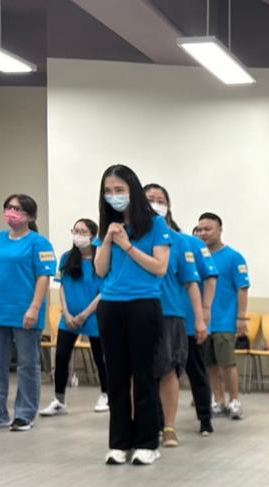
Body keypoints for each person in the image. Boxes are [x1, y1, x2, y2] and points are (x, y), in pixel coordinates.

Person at [94, 164, 171, 465]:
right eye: (108, 191)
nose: (113, 196)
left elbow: (159, 267)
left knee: (143, 376)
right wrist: (108, 240)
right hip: (110, 306)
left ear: (133, 191)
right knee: (116, 377)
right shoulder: (109, 226)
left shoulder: (156, 225)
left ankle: (147, 443)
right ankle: (119, 443)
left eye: (119, 190)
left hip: (143, 305)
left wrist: (127, 246)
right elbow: (100, 270)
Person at [0, 194, 57, 431]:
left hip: (25, 312)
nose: (11, 212)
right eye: (9, 207)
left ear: (30, 216)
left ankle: (25, 414)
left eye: (17, 209)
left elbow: (43, 277)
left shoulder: (39, 243)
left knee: (27, 365)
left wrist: (35, 307)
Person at [143, 183, 208, 447]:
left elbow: (191, 283)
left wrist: (200, 319)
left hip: (170, 313)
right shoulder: (129, 236)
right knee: (139, 373)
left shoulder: (179, 242)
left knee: (169, 371)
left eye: (161, 200)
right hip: (136, 312)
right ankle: (144, 426)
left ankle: (169, 427)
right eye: (150, 199)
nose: (155, 204)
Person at [39, 218, 109, 416]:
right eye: (75, 231)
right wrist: (67, 313)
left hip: (94, 315)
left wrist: (84, 314)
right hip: (69, 318)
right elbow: (62, 286)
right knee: (61, 356)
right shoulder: (67, 258)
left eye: (83, 231)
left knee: (100, 358)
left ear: (93, 236)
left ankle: (106, 394)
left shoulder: (102, 259)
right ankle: (59, 400)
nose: (78, 235)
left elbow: (104, 291)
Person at [196, 212, 249, 420]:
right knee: (210, 364)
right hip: (203, 322)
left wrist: (241, 318)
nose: (203, 233)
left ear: (219, 230)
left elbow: (242, 288)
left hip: (225, 321)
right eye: (200, 229)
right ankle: (218, 400)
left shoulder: (234, 257)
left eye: (208, 229)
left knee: (227, 363)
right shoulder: (197, 256)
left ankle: (234, 400)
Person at [183, 226, 218, 435]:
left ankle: (205, 419)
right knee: (160, 375)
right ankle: (160, 423)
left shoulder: (191, 244)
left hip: (191, 322)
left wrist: (205, 309)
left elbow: (211, 277)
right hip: (160, 320)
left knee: (197, 372)